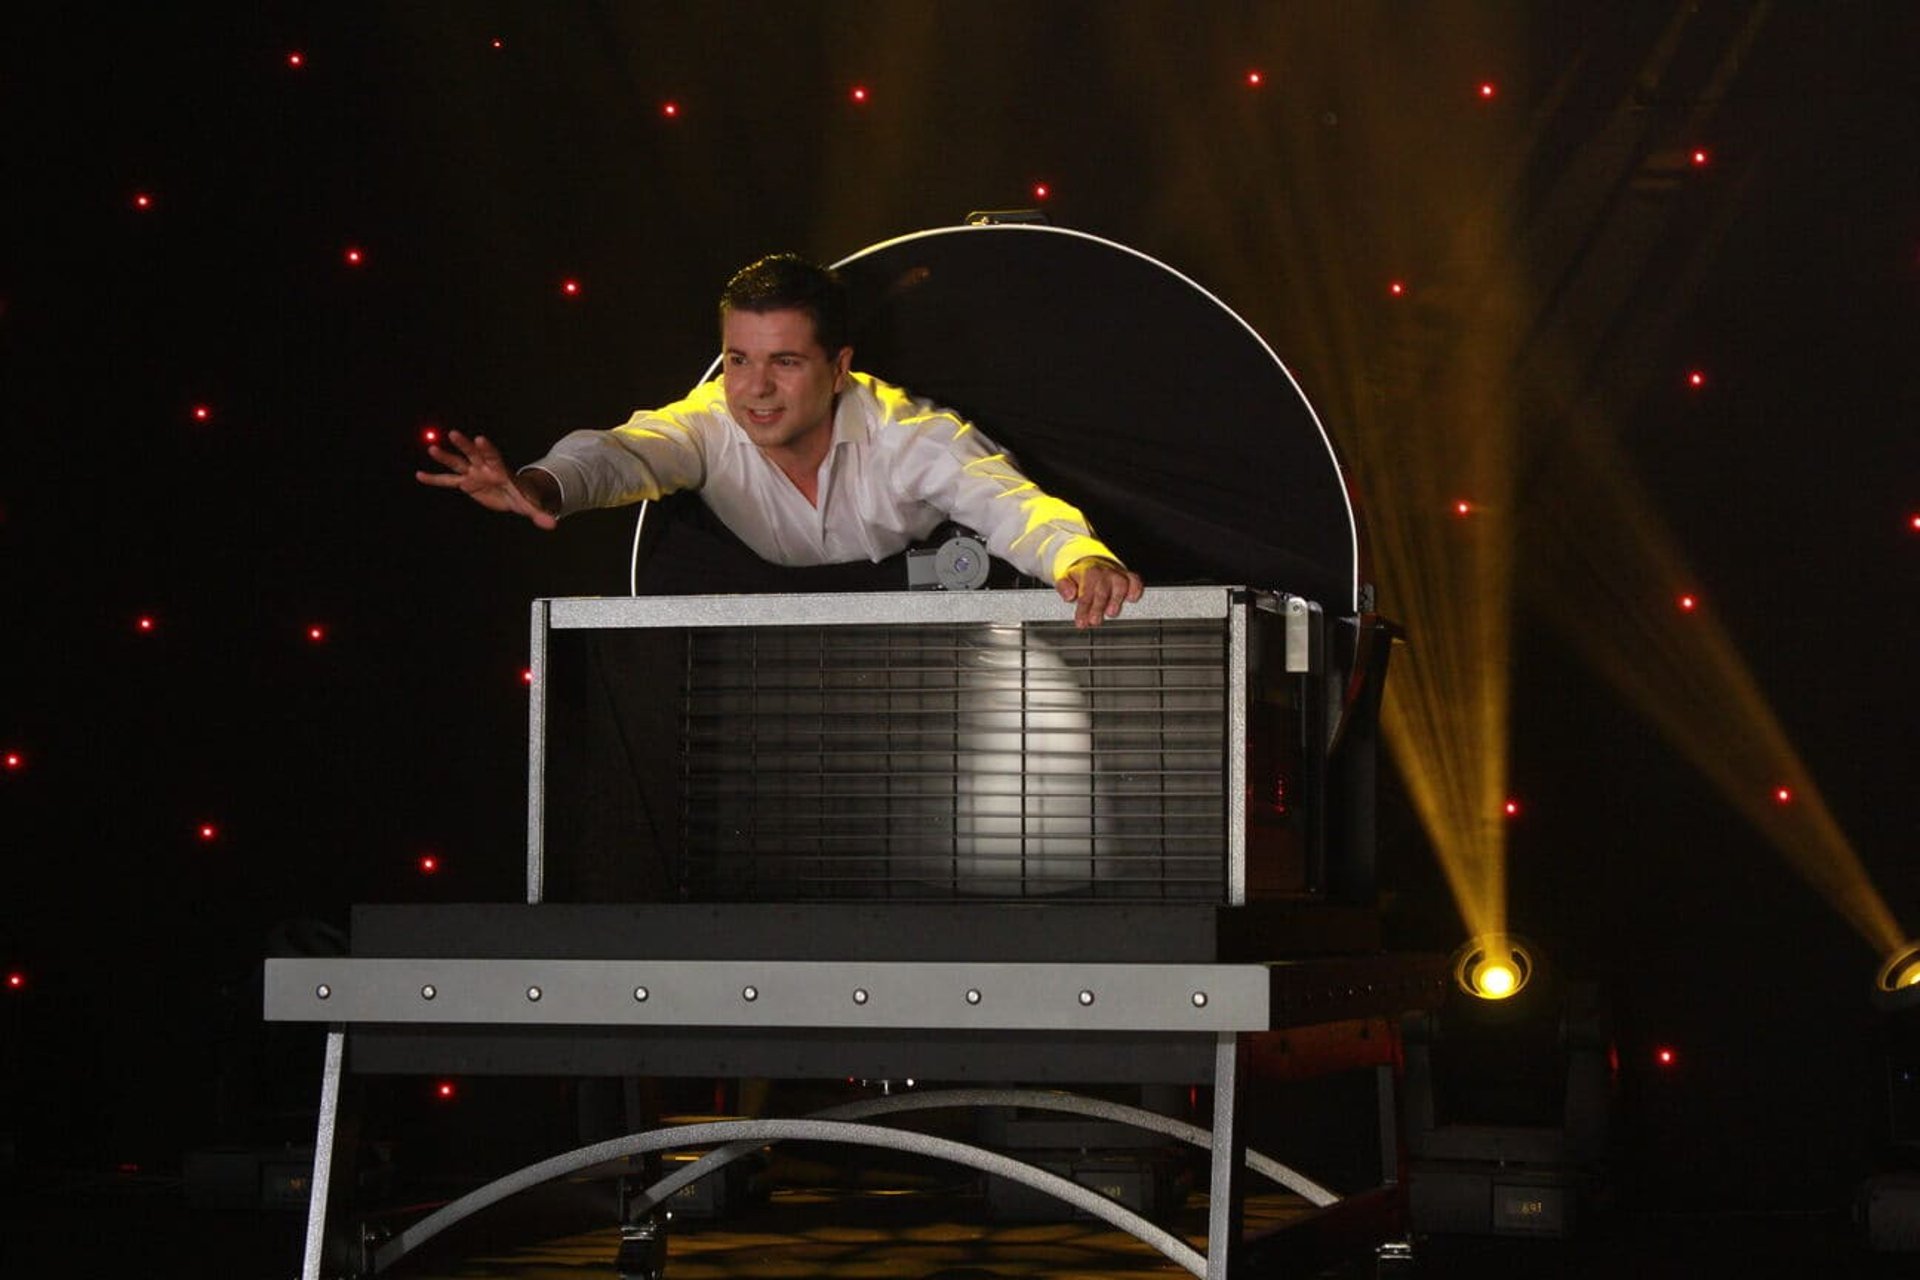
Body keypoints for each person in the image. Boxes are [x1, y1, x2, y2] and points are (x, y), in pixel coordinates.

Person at [417, 253, 1144, 627]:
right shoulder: (708, 422)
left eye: (786, 362)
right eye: (738, 360)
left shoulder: (910, 435)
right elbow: (621, 452)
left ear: (839, 369)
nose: (755, 389)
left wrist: (1080, 559)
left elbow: (1008, 502)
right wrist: (540, 485)